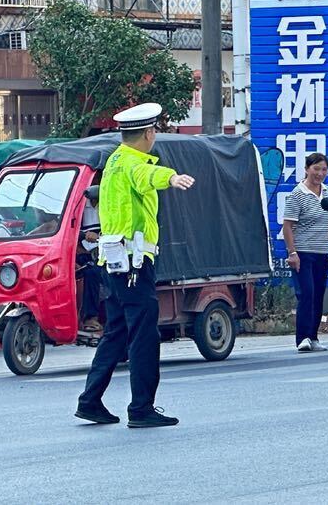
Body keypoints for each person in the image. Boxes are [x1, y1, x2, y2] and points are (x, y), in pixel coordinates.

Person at [75, 103, 195, 428]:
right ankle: (141, 408)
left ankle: (90, 401)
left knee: (116, 331)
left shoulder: (113, 160)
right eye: (154, 130)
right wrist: (171, 177)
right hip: (133, 265)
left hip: (112, 262)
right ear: (148, 133)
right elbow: (147, 176)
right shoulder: (133, 163)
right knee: (144, 334)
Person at [282, 153, 328, 353]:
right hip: (302, 252)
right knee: (306, 294)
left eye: (324, 169)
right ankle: (302, 338)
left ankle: (314, 337)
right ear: (307, 169)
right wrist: (292, 253)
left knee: (318, 295)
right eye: (316, 169)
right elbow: (287, 225)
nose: (320, 173)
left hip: (322, 252)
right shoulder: (297, 194)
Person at [77, 189, 105, 332]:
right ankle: (90, 318)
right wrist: (85, 235)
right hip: (85, 251)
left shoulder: (107, 203)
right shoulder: (80, 205)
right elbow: (70, 230)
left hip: (106, 250)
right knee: (91, 272)